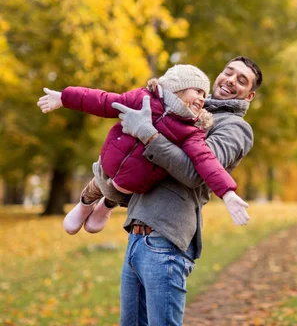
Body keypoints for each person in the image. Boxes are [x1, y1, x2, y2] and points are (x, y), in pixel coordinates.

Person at [94, 56, 262, 325]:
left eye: (241, 80)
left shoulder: (235, 128)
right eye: (228, 72)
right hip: (137, 234)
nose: (231, 80)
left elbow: (196, 173)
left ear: (249, 95)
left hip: (166, 240)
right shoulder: (182, 108)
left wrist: (149, 135)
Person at [37, 64, 250, 235]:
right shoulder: (143, 98)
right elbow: (104, 101)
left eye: (205, 93)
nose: (203, 98)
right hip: (111, 160)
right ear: (178, 87)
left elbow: (205, 161)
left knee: (118, 189)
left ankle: (106, 206)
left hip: (134, 182)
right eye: (198, 91)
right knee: (98, 183)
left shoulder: (191, 129)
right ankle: (85, 204)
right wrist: (64, 97)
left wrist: (228, 192)